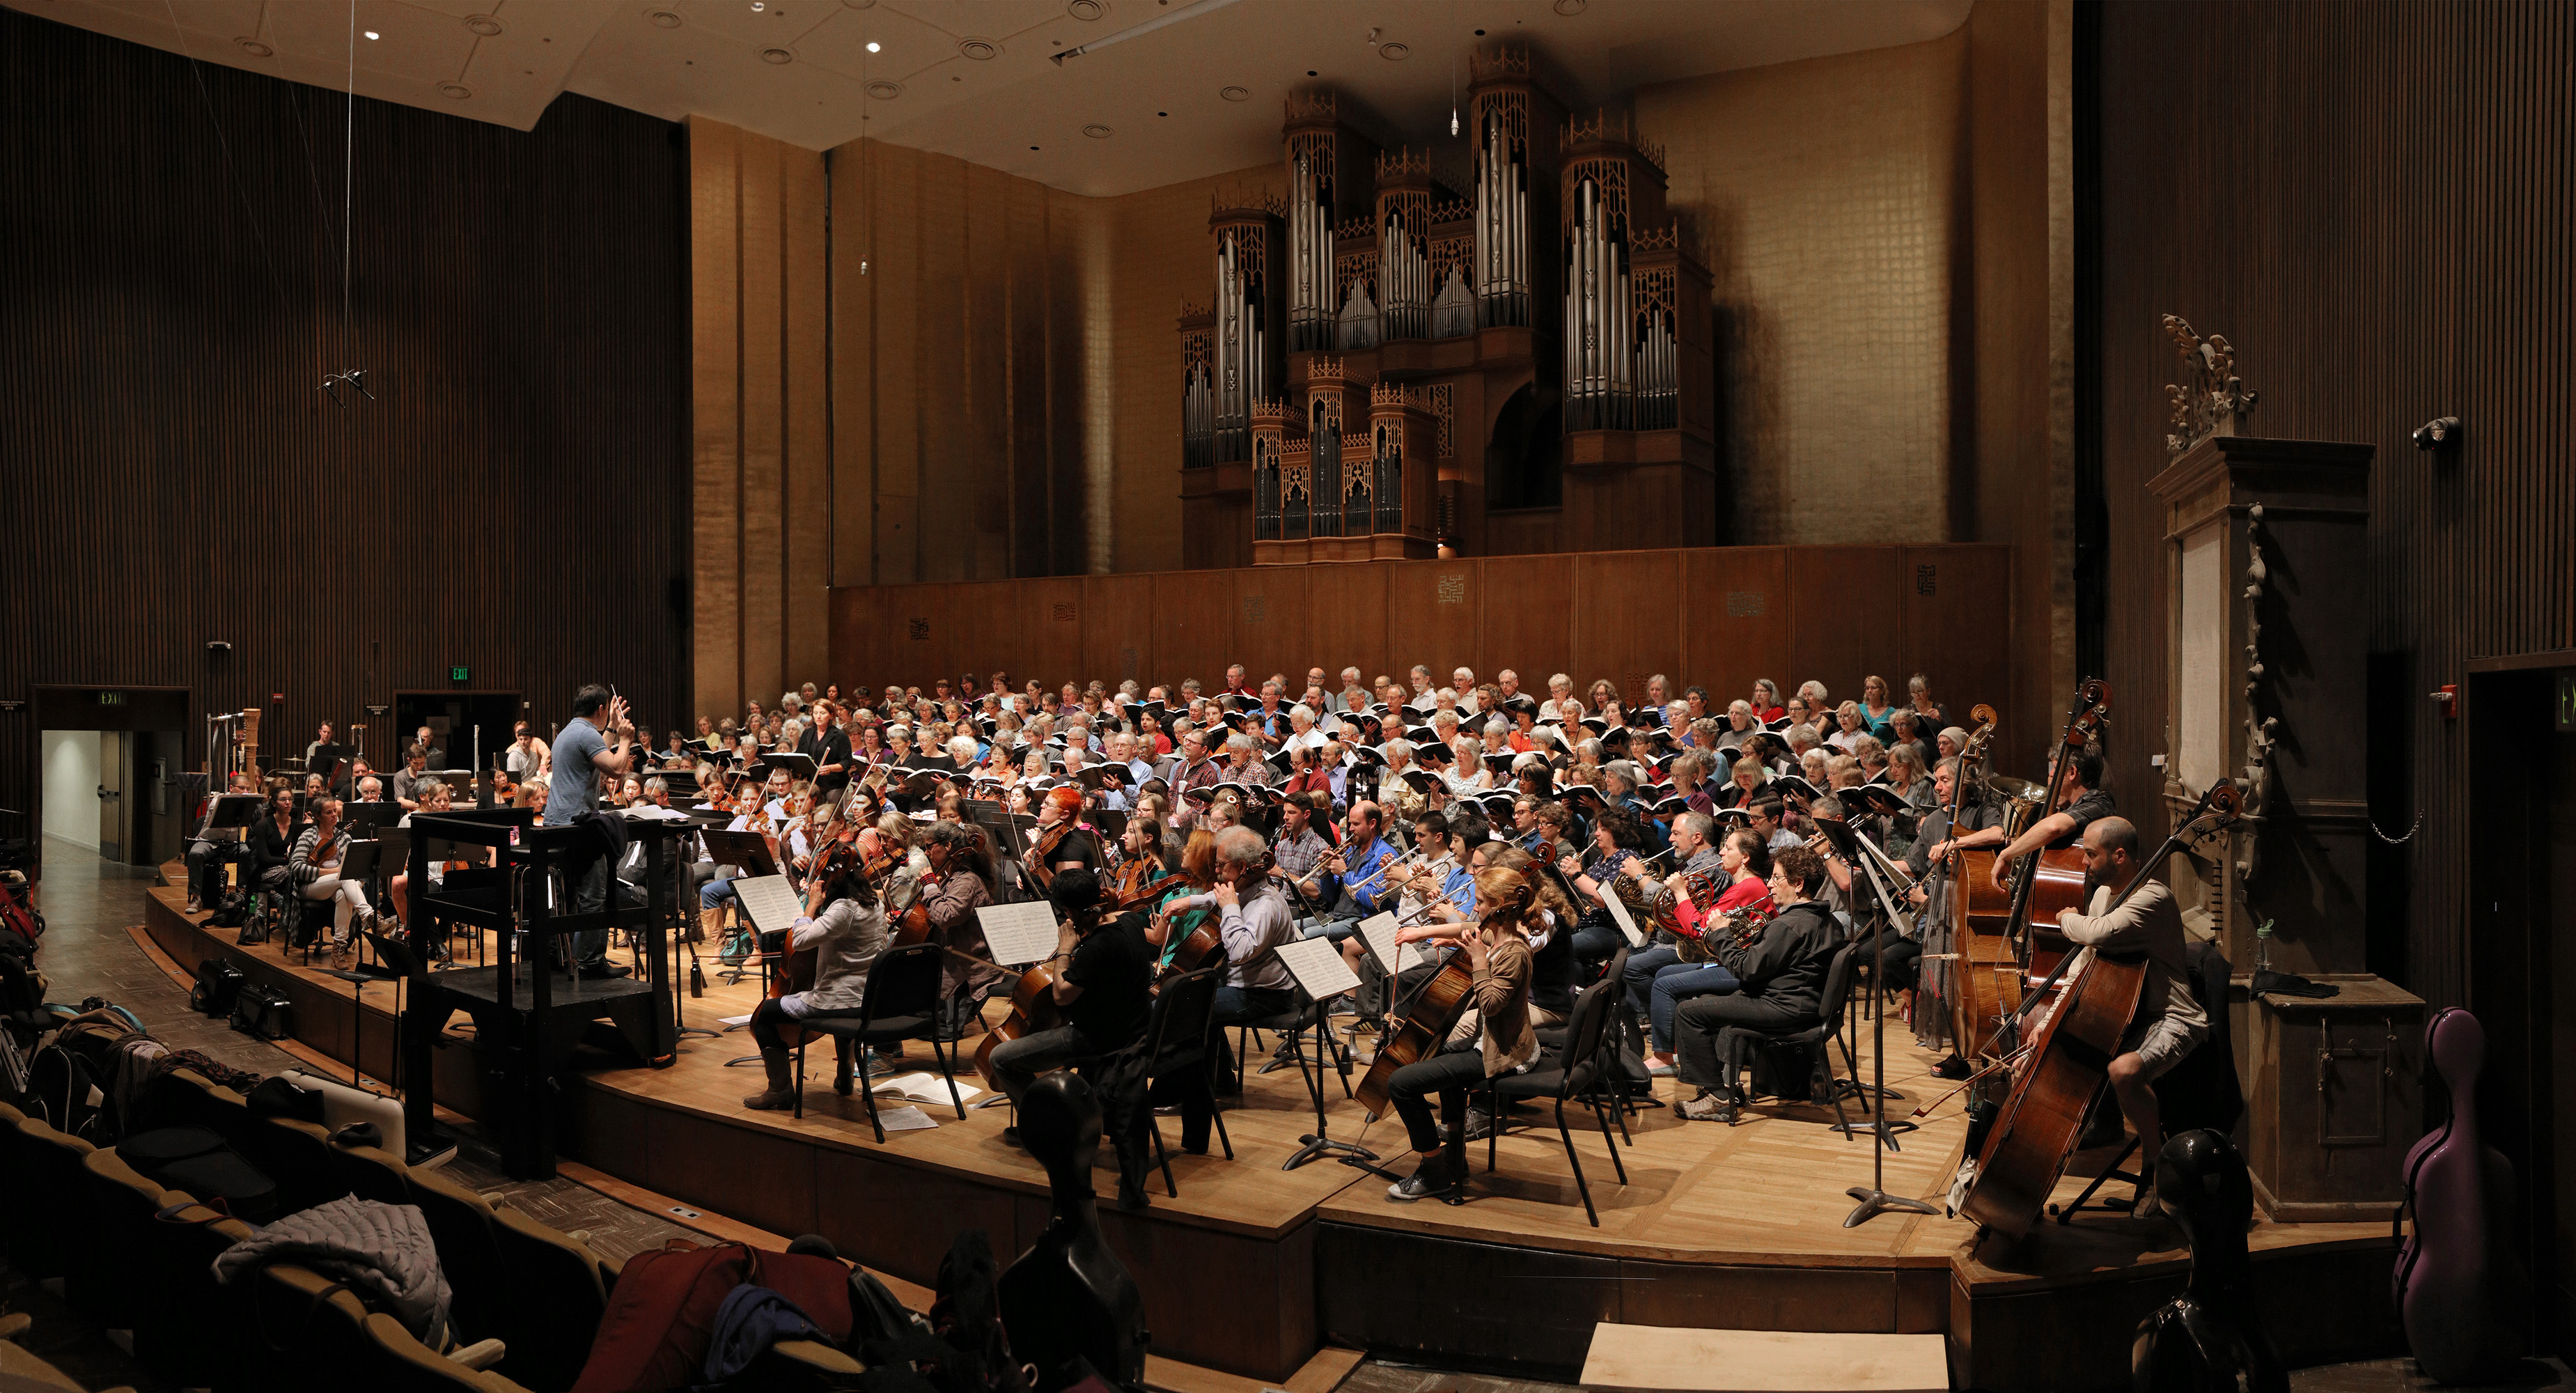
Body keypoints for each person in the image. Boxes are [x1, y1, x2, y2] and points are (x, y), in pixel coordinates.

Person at [2052, 817, 2209, 1204]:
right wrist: (2050, 1021)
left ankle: (2158, 1166)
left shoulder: (2153, 898)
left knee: (2123, 1070)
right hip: (2132, 1017)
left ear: (2119, 855)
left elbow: (2098, 933)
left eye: (2091, 854)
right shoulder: (2106, 895)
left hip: (2173, 1018)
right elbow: (2082, 966)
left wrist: (2064, 918)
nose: (2084, 862)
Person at [1382, 867, 1540, 1203]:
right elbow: (1470, 928)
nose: (1476, 908)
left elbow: (1493, 1005)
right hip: (1489, 1043)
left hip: (1505, 1053)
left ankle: (1433, 1168)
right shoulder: (1495, 936)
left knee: (1401, 1083)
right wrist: (1451, 940)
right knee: (1438, 1058)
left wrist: (1479, 962)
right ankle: (1455, 1154)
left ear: (1499, 906)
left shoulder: (1514, 951)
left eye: (1480, 902)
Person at [1672, 846, 1845, 1123]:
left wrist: (1722, 935)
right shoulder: (1829, 920)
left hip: (1786, 1010)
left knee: (1687, 1011)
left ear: (1798, 884)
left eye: (1777, 878)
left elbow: (1746, 970)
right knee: (1714, 1000)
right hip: (1807, 1005)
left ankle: (1717, 1097)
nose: (1769, 884)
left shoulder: (1788, 925)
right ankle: (1727, 1086)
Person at [740, 850, 893, 1110]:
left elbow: (800, 941)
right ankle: (845, 1079)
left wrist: (811, 904)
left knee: (765, 1015)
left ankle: (780, 1091)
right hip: (868, 998)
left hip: (840, 999)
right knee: (838, 1009)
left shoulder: (844, 909)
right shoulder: (874, 904)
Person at [545, 685, 635, 978]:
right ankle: (591, 964)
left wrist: (610, 726)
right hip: (577, 827)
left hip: (557, 824)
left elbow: (597, 747)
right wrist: (625, 738)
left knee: (572, 897)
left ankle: (571, 958)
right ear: (599, 709)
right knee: (594, 896)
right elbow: (617, 769)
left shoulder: (571, 732)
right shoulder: (585, 734)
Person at [1205, 826, 1299, 1090]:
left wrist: (1230, 909)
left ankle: (1195, 1089)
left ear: (1243, 865)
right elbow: (1216, 896)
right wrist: (1186, 904)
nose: (1217, 870)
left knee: (1188, 1006)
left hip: (1264, 997)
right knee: (1195, 995)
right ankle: (1218, 1082)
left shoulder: (1266, 905)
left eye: (1221, 864)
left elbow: (1240, 953)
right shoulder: (1248, 888)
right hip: (1248, 989)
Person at [1972, 748, 2115, 892]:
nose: (2051, 774)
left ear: (2072, 773)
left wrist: (2006, 854)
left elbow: (2053, 827)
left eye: (2055, 767)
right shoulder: (2071, 808)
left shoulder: (2098, 803)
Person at [288, 797, 370, 971]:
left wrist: (348, 880)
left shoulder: (344, 837)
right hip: (309, 887)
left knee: (343, 893)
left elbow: (356, 867)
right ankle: (368, 914)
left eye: (335, 811)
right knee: (344, 877)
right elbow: (296, 868)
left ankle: (338, 948)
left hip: (337, 886)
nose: (334, 815)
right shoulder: (308, 836)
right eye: (329, 812)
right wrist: (333, 872)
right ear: (318, 816)